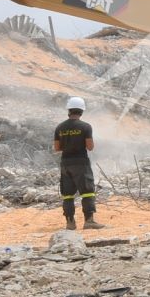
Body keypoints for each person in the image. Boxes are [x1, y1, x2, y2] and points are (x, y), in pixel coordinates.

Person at [52, 97, 104, 230]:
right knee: (87, 192)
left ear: (69, 110)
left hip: (65, 163)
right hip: (81, 163)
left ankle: (70, 223)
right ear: (81, 111)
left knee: (68, 194)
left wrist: (68, 144)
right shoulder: (85, 127)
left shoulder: (60, 127)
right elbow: (90, 147)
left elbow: (57, 148)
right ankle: (89, 221)